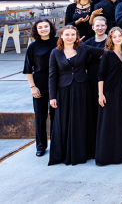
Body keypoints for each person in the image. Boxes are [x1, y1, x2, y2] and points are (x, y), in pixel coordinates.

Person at [48, 25, 105, 166]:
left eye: (73, 34)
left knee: (81, 120)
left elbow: (104, 52)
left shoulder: (83, 48)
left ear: (76, 36)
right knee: (64, 121)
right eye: (67, 34)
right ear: (61, 36)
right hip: (64, 91)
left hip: (81, 89)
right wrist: (52, 96)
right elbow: (52, 76)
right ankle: (65, 153)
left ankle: (83, 152)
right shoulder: (55, 53)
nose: (70, 37)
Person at [95, 27, 122, 166]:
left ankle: (119, 155)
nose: (117, 39)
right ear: (111, 38)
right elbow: (101, 74)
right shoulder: (107, 54)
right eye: (114, 37)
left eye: (119, 36)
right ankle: (105, 156)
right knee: (108, 123)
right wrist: (100, 94)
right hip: (109, 91)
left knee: (120, 121)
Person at [23, 19, 58, 157]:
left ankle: (57, 144)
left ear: (51, 28)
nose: (43, 29)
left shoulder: (58, 42)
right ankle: (41, 146)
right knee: (40, 115)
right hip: (40, 82)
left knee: (57, 114)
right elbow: (27, 69)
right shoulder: (33, 47)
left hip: (57, 81)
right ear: (36, 30)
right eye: (40, 27)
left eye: (46, 26)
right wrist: (32, 87)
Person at [83, 16, 108, 127]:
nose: (100, 28)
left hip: (108, 77)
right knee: (95, 105)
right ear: (93, 27)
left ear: (106, 27)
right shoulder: (88, 42)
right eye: (97, 25)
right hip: (93, 78)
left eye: (102, 25)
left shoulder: (111, 40)